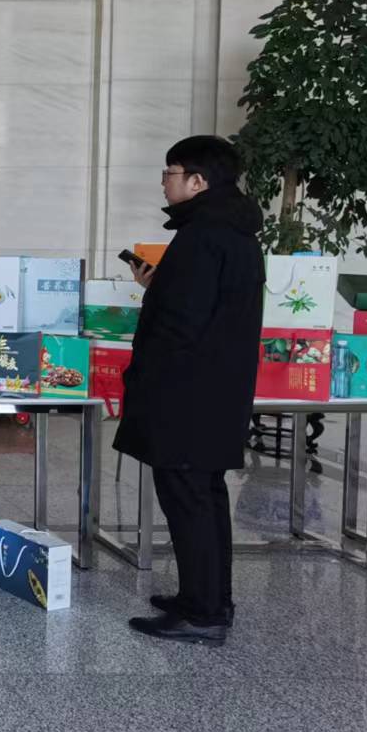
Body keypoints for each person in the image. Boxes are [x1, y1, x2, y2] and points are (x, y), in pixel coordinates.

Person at [116, 135, 264, 645]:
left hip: (187, 393)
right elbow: (204, 304)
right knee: (206, 495)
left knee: (188, 499)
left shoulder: (202, 234)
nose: (164, 181)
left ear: (198, 181)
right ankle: (210, 598)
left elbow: (181, 324)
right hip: (217, 389)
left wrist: (146, 377)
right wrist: (159, 286)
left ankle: (203, 614)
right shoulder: (234, 230)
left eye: (171, 172)